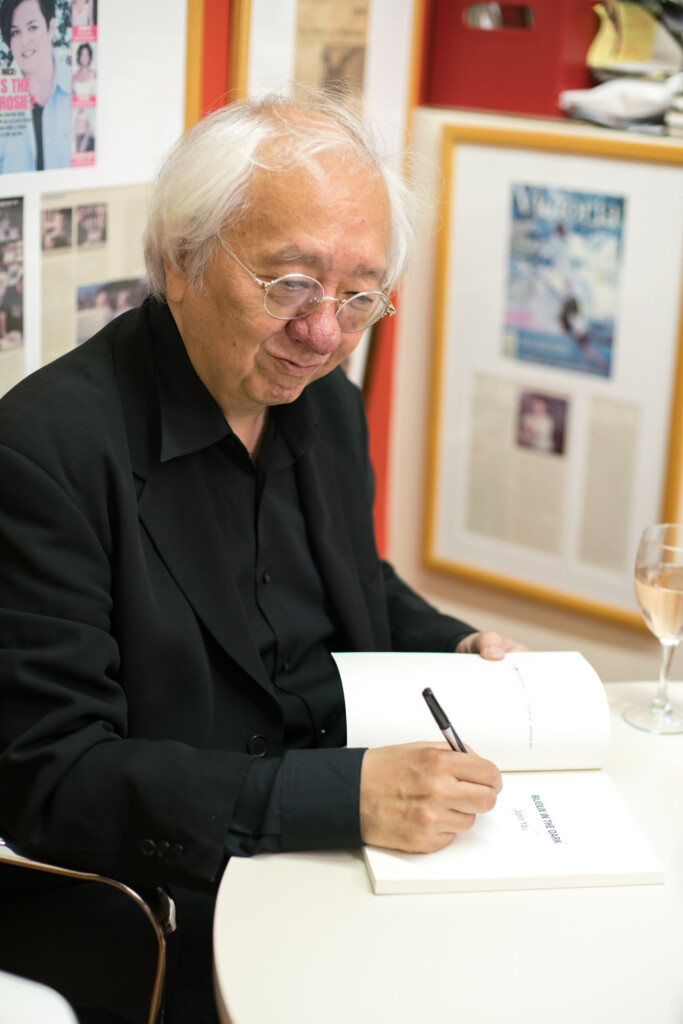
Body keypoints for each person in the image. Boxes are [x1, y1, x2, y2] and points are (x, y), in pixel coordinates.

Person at [0, 94, 526, 1023]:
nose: (324, 335)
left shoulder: (323, 401)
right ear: (179, 259)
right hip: (180, 905)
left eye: (360, 296)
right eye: (289, 284)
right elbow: (55, 778)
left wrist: (453, 644)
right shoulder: (45, 450)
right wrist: (339, 797)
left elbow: (353, 587)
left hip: (350, 867)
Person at [0, 0, 71, 172]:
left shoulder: (78, 86)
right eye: (15, 32)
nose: (24, 41)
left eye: (32, 27)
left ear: (51, 27)